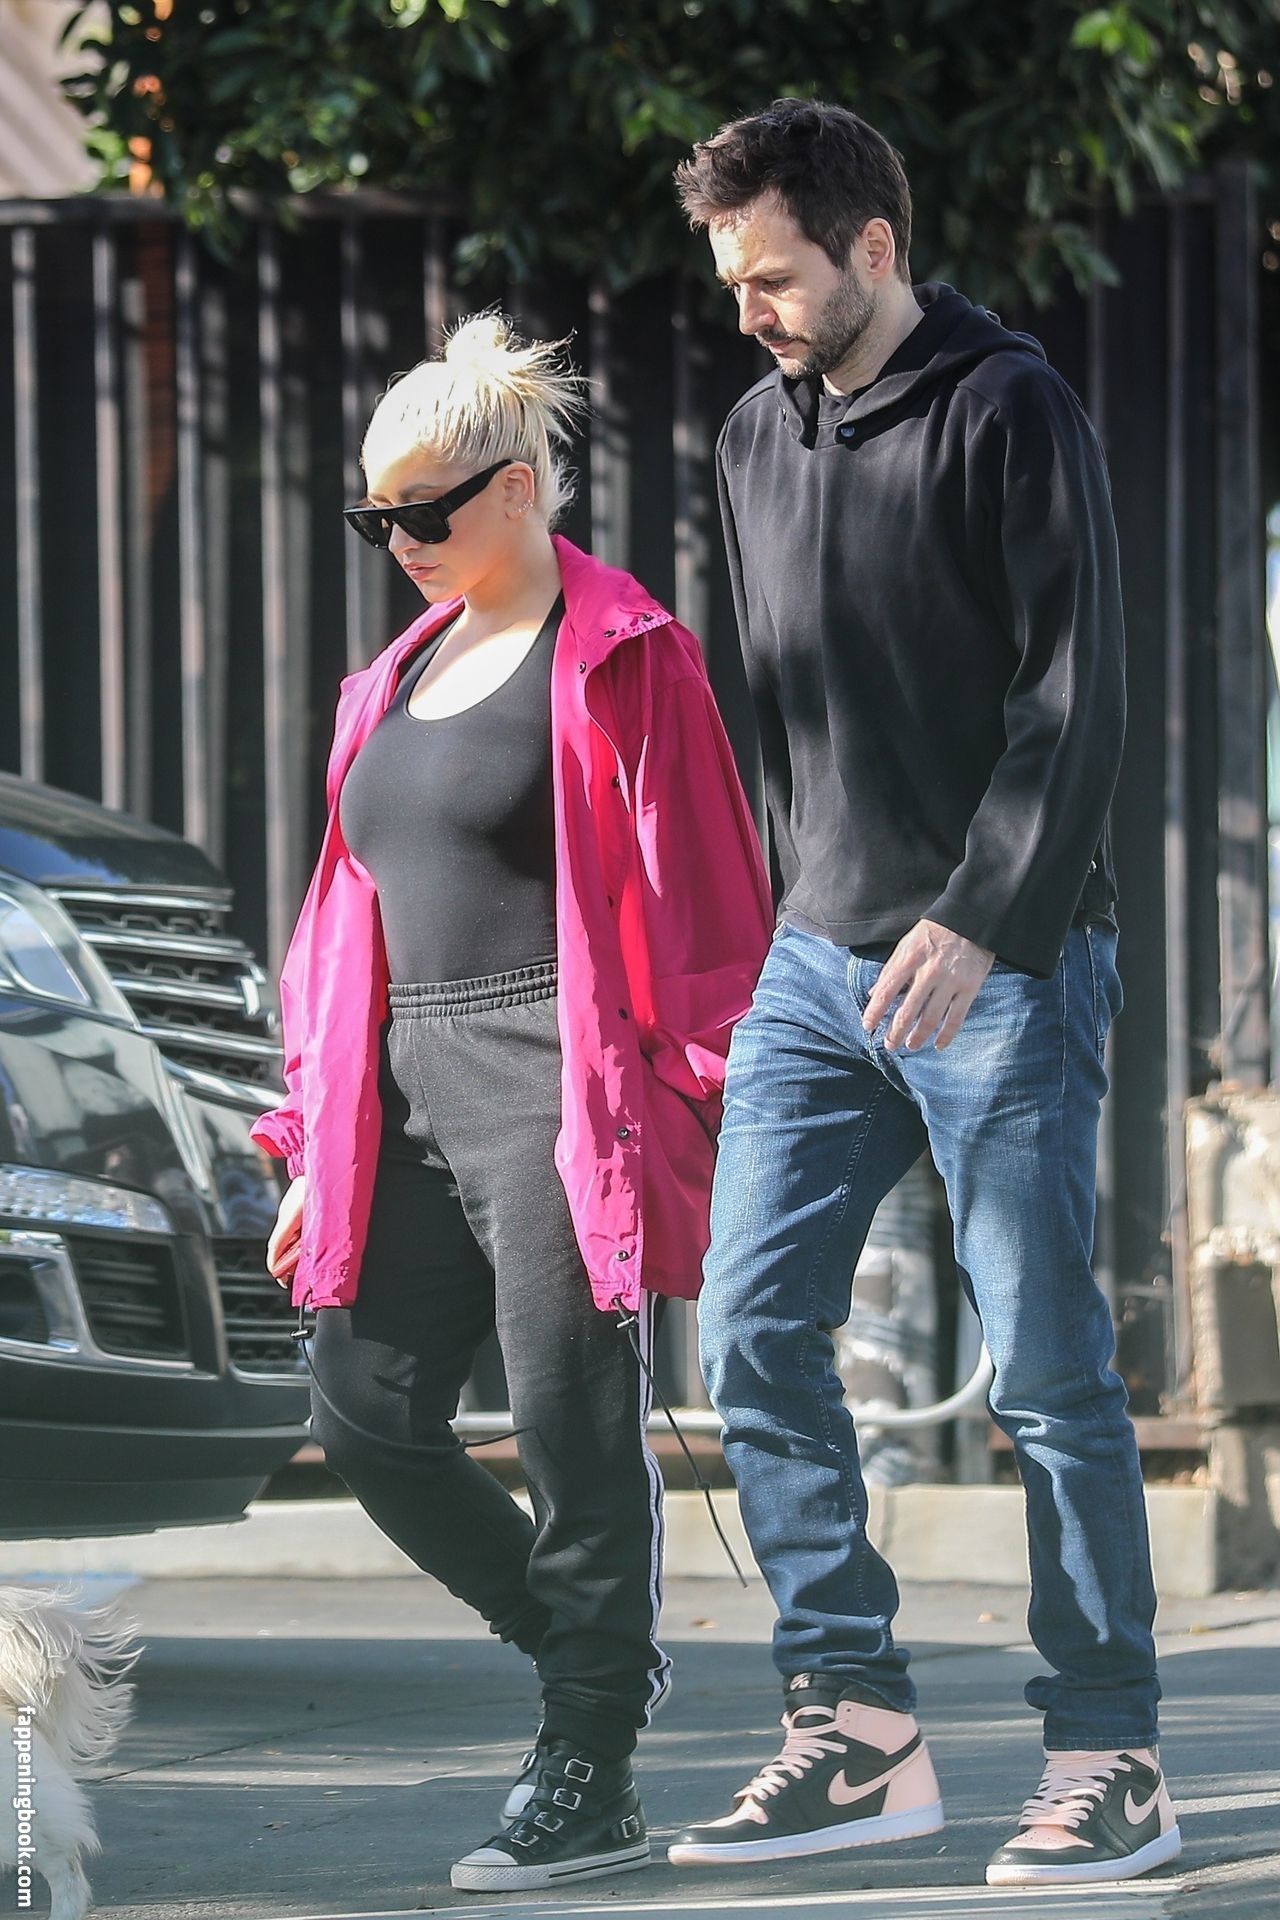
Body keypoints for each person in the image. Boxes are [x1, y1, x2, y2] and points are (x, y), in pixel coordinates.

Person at [667, 99, 1182, 1888]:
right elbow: (784, 718)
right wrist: (787, 931)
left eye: (773, 277)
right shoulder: (753, 435)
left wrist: (978, 917)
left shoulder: (1008, 408)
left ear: (874, 247)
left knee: (1045, 1374)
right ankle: (856, 1728)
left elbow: (1076, 693)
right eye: (732, 282)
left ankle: (1111, 1754)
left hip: (1000, 969)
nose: (750, 310)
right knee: (749, 1331)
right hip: (819, 973)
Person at [251, 313, 772, 1893]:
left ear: (522, 485)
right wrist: (312, 1140)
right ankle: (586, 1658)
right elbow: (342, 916)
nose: (399, 542)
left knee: (567, 1417)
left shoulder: (622, 652)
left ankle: (588, 1762)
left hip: (558, 1074)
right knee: (363, 1410)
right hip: (400, 1082)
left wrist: (714, 1099)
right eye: (376, 518)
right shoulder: (390, 677)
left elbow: (706, 898)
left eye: (425, 509)